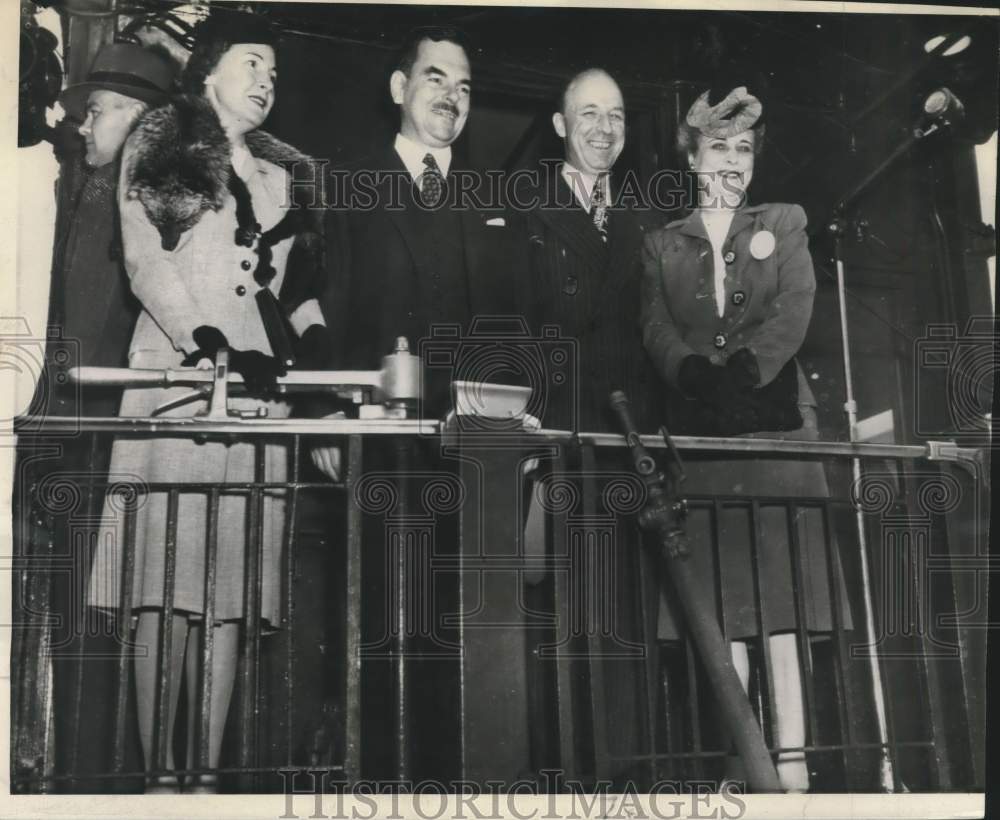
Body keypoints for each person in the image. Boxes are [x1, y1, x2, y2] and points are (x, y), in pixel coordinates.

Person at [88, 9, 330, 793]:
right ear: (213, 66)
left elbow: (290, 288)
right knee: (162, 588)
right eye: (253, 63)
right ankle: (160, 777)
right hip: (177, 390)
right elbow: (143, 259)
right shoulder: (164, 137)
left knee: (231, 591)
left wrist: (315, 344)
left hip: (254, 401)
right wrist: (202, 338)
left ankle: (205, 779)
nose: (266, 80)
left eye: (275, 71)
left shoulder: (280, 174)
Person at [640, 80, 851, 792]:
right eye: (716, 149)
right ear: (693, 159)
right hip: (703, 440)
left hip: (776, 436)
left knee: (783, 604)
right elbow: (654, 326)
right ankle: (745, 762)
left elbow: (797, 304)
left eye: (741, 151)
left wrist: (752, 368)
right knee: (723, 610)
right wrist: (693, 373)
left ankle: (790, 767)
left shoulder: (784, 222)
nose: (730, 161)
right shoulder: (662, 244)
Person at [35, 41, 176, 793]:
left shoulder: (132, 199)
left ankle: (91, 786)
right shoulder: (90, 190)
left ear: (138, 118)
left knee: (93, 623)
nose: (85, 126)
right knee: (85, 623)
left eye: (99, 112)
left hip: (99, 443)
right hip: (77, 441)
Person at [514, 67, 659, 433]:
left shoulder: (651, 220)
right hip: (561, 430)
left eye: (616, 115)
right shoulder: (524, 213)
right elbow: (513, 335)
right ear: (561, 124)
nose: (605, 128)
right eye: (590, 113)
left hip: (636, 431)